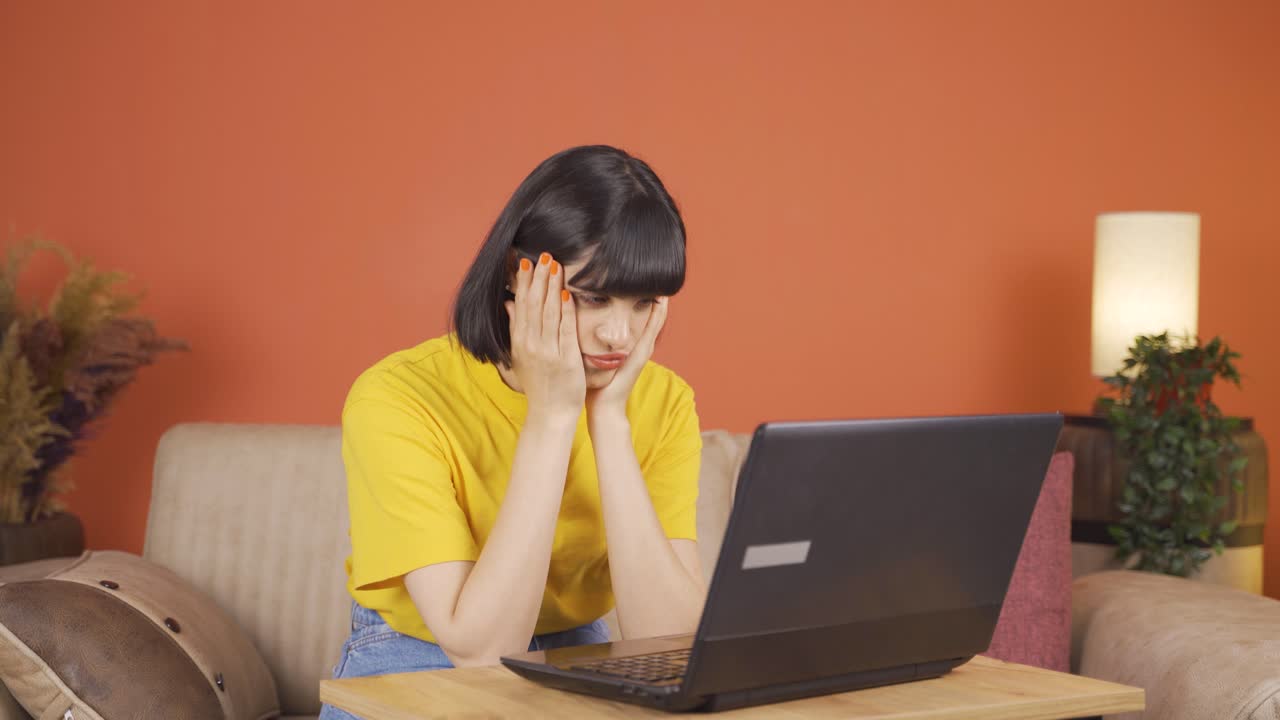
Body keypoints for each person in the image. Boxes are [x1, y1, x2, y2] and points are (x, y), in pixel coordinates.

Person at [319, 145, 705, 718]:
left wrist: (609, 421)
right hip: (414, 653)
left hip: (580, 652)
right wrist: (553, 416)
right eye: (592, 298)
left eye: (644, 303)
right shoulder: (397, 398)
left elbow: (669, 643)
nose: (619, 335)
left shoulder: (663, 402)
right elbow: (480, 650)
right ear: (517, 277)